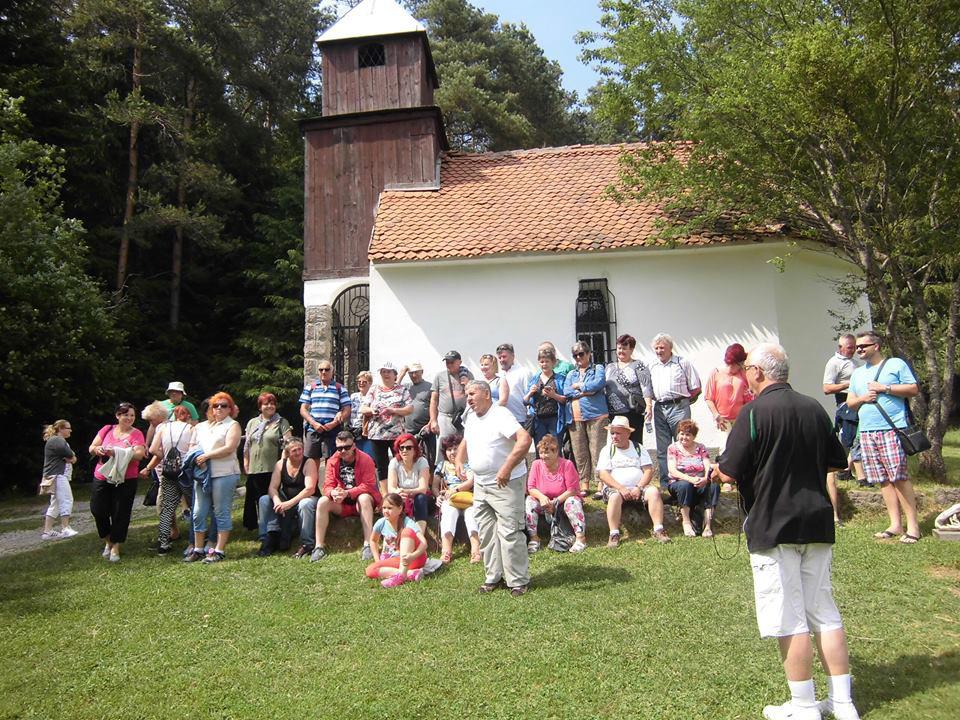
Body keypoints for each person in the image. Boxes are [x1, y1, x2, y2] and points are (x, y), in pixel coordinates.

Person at [718, 343, 859, 720]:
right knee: (824, 613)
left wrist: (720, 471)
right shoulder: (814, 407)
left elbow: (729, 469)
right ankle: (843, 703)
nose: (746, 373)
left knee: (789, 618)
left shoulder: (753, 412)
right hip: (816, 520)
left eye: (748, 368)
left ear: (760, 373)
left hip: (773, 524)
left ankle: (803, 705)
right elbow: (836, 460)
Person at [456, 380, 532, 596]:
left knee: (510, 532)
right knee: (487, 532)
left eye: (472, 393)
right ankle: (493, 576)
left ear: (487, 394)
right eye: (466, 394)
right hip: (481, 484)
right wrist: (460, 459)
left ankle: (518, 580)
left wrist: (507, 468)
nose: (468, 398)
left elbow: (524, 439)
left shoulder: (500, 414)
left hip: (506, 483)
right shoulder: (470, 415)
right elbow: (467, 439)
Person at [846, 330, 922, 544]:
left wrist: (885, 388)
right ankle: (895, 525)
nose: (858, 350)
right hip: (867, 431)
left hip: (892, 428)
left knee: (899, 476)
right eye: (857, 347)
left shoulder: (895, 364)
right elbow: (851, 402)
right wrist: (863, 398)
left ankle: (913, 527)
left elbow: (913, 389)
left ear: (876, 346)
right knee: (883, 479)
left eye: (863, 346)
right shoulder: (858, 373)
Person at [184, 392, 242, 563]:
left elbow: (229, 447)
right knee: (198, 512)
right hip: (202, 475)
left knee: (221, 511)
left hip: (224, 473)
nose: (219, 409)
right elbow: (192, 446)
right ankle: (198, 548)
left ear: (230, 408)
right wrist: (196, 458)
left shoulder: (232, 425)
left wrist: (207, 456)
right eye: (215, 405)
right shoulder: (201, 427)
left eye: (224, 405)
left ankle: (219, 550)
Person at [597, 416, 670, 546]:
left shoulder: (638, 448)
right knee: (614, 497)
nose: (614, 436)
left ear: (628, 433)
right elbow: (603, 474)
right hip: (616, 489)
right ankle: (614, 533)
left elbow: (648, 470)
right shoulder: (607, 450)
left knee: (653, 492)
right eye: (612, 433)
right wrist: (621, 488)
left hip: (638, 488)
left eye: (618, 433)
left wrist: (639, 487)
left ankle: (659, 529)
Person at [89, 402, 147, 562]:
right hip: (103, 475)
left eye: (132, 415)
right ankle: (108, 540)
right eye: (125, 415)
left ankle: (115, 548)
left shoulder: (137, 434)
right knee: (98, 510)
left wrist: (117, 452)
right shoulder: (107, 429)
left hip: (126, 478)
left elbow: (139, 454)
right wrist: (98, 449)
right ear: (117, 416)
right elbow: (92, 447)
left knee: (120, 513)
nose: (129, 418)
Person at [310, 431, 381, 562]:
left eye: (347, 447)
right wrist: (333, 493)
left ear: (354, 445)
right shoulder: (332, 461)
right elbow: (327, 485)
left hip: (361, 502)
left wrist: (348, 493)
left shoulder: (366, 459)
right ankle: (319, 546)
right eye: (339, 448)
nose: (343, 451)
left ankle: (368, 544)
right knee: (322, 501)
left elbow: (369, 485)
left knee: (364, 497)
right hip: (341, 503)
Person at [648, 333, 701, 488]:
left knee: (683, 444)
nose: (659, 351)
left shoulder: (682, 363)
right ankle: (666, 483)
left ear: (670, 348)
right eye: (656, 348)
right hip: (660, 408)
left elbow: (696, 387)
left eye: (662, 347)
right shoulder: (652, 366)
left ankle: (684, 480)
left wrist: (683, 402)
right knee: (663, 448)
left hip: (679, 407)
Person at [141, 405, 195, 554]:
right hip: (186, 473)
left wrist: (164, 455)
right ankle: (195, 539)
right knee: (194, 506)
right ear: (187, 416)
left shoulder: (164, 429)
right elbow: (193, 450)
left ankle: (163, 542)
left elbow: (152, 450)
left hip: (168, 472)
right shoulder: (191, 429)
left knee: (167, 508)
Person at [823, 334, 867, 506]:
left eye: (854, 347)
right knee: (851, 438)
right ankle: (858, 475)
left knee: (856, 436)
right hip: (845, 403)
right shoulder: (834, 363)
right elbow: (827, 387)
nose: (853, 350)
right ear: (840, 347)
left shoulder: (855, 362)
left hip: (858, 401)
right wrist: (850, 384)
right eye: (850, 348)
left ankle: (846, 469)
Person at [525, 434, 586, 554]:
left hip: (564, 501)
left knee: (572, 502)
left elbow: (572, 490)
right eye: (541, 453)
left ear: (556, 451)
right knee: (530, 501)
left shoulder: (567, 465)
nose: (543, 456)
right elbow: (531, 488)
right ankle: (534, 538)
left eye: (547, 453)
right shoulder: (536, 464)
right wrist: (542, 497)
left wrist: (555, 502)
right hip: (544, 502)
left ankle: (581, 538)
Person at [258, 438, 319, 557]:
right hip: (286, 499)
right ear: (287, 452)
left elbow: (310, 489)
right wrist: (277, 502)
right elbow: (272, 487)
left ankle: (307, 543)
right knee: (264, 500)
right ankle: (266, 539)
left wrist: (289, 504)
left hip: (308, 498)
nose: (298, 453)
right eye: (294, 450)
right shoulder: (280, 464)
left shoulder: (308, 462)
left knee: (304, 503)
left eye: (300, 449)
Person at [704, 342, 753, 492]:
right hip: (723, 419)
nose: (737, 366)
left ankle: (741, 478)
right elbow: (708, 397)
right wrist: (716, 415)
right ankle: (726, 481)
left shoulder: (743, 375)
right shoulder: (716, 373)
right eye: (735, 363)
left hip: (741, 418)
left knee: (741, 448)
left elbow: (749, 396)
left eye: (739, 363)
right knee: (725, 448)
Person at [563, 341, 609, 496]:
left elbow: (599, 383)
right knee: (580, 451)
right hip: (575, 417)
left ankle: (600, 483)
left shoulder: (598, 368)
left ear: (589, 353)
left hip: (596, 414)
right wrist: (585, 391)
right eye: (575, 355)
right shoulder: (571, 374)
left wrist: (580, 386)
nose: (578, 357)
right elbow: (566, 391)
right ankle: (584, 483)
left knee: (597, 450)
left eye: (581, 354)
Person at [242, 392, 293, 531]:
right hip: (254, 467)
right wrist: (246, 462)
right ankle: (254, 526)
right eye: (266, 404)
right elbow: (247, 444)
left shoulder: (281, 422)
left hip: (272, 468)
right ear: (260, 407)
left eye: (272, 403)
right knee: (253, 498)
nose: (270, 406)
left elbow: (289, 444)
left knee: (268, 498)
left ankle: (271, 526)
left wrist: (283, 463)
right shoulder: (252, 423)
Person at [361, 362, 413, 491]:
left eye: (389, 372)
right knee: (381, 466)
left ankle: (400, 492)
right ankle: (385, 496)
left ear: (395, 374)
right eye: (383, 371)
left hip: (397, 435)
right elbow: (363, 408)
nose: (386, 374)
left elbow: (410, 408)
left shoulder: (402, 390)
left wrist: (394, 411)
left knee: (400, 463)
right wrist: (371, 411)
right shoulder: (374, 389)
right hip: (377, 435)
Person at [666, 420, 719, 537]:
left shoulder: (701, 447)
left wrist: (705, 478)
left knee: (714, 486)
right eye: (681, 433)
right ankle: (686, 522)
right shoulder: (672, 448)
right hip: (678, 483)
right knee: (685, 485)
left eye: (688, 434)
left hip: (700, 482)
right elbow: (672, 470)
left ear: (694, 436)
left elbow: (707, 465)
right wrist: (690, 479)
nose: (684, 437)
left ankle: (707, 525)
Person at [433, 434, 480, 564]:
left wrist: (455, 490)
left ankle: (476, 550)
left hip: (468, 498)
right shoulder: (442, 465)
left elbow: (471, 480)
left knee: (471, 515)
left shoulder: (468, 464)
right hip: (449, 500)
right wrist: (438, 496)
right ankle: (446, 551)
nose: (453, 452)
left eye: (456, 448)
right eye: (449, 449)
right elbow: (435, 485)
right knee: (449, 513)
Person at [365, 492, 428, 588]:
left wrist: (412, 556)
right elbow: (373, 541)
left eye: (389, 508)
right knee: (370, 570)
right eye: (384, 508)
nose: (386, 511)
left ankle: (401, 575)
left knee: (407, 532)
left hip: (414, 559)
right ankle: (411, 573)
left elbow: (424, 543)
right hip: (397, 560)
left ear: (400, 509)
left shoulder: (408, 522)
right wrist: (377, 560)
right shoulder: (381, 523)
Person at [604, 333, 654, 446]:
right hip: (614, 414)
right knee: (617, 444)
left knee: (634, 444)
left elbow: (646, 387)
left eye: (624, 348)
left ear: (631, 349)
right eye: (619, 348)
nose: (621, 351)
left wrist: (649, 406)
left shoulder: (638, 365)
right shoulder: (610, 367)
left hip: (633, 412)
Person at [299, 361, 351, 461]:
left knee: (332, 460)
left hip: (332, 429)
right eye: (321, 370)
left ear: (332, 371)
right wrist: (313, 423)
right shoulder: (310, 387)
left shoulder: (340, 388)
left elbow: (347, 409)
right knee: (311, 460)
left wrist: (334, 423)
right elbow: (303, 409)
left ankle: (330, 477)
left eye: (327, 369)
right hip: (313, 429)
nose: (324, 372)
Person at [523, 346, 569, 450]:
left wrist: (554, 395)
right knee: (541, 450)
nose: (544, 364)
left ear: (553, 363)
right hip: (538, 420)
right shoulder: (534, 379)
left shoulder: (560, 379)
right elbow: (525, 401)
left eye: (547, 361)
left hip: (555, 419)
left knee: (555, 450)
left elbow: (566, 400)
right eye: (542, 361)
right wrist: (530, 393)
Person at [387, 432, 433, 533]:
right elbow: (391, 488)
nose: (404, 450)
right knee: (392, 499)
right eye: (401, 447)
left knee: (420, 498)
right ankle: (393, 535)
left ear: (415, 449)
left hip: (421, 499)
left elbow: (423, 489)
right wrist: (399, 493)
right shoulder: (394, 462)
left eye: (408, 448)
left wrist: (406, 492)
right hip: (402, 497)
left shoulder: (422, 461)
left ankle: (419, 535)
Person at [40, 420, 78, 539]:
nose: (70, 430)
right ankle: (65, 528)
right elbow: (70, 455)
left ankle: (47, 531)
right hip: (58, 475)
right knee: (67, 499)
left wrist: (71, 457)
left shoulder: (56, 441)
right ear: (61, 429)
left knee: (55, 503)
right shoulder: (58, 440)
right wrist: (71, 457)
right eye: (68, 428)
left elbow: (70, 456)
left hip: (55, 475)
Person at [428, 350, 473, 443]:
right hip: (445, 417)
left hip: (463, 417)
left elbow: (473, 395)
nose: (449, 364)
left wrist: (467, 384)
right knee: (443, 444)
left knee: (465, 444)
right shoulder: (439, 376)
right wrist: (433, 420)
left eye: (452, 362)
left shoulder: (468, 375)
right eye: (447, 362)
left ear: (459, 362)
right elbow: (433, 400)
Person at [400, 362, 436, 468]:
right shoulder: (405, 387)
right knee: (409, 459)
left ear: (422, 372)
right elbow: (393, 388)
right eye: (411, 373)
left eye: (416, 372)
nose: (414, 375)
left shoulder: (430, 387)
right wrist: (402, 373)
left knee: (429, 459)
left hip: (425, 429)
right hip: (409, 430)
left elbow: (435, 406)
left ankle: (429, 482)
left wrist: (430, 424)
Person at [496, 342, 531, 424]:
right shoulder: (499, 375)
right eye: (499, 357)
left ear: (513, 356)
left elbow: (529, 396)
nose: (501, 360)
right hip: (503, 419)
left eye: (504, 357)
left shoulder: (524, 372)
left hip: (520, 419)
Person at [349, 371, 374, 456]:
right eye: (359, 382)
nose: (361, 384)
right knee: (356, 457)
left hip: (367, 431)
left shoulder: (374, 397)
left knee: (367, 456)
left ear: (370, 383)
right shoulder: (353, 396)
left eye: (364, 382)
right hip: (353, 431)